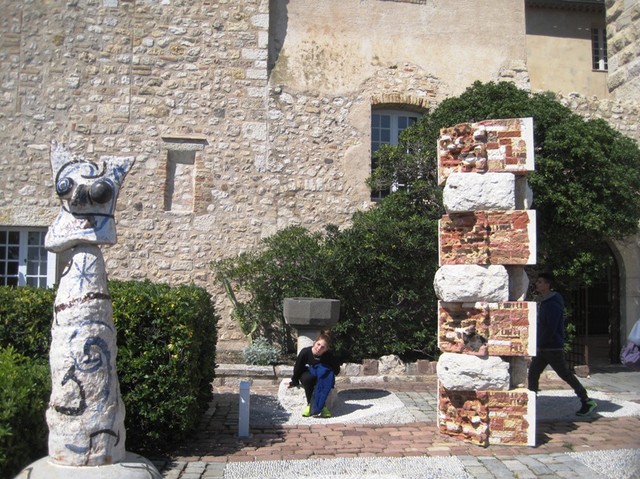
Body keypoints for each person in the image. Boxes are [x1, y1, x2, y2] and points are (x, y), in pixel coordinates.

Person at [528, 273, 597, 416]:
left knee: (565, 374)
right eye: (537, 282)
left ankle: (586, 401)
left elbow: (551, 327)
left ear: (547, 285)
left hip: (551, 347)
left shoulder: (552, 303)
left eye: (540, 282)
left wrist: (540, 342)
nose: (537, 284)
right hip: (543, 347)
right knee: (533, 374)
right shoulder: (544, 301)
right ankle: (530, 403)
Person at [288, 331, 341, 417]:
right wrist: (294, 381)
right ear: (314, 343)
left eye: (323, 347)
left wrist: (331, 364)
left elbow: (336, 370)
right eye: (318, 344)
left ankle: (322, 406)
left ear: (326, 349)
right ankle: (310, 405)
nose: (319, 348)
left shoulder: (328, 356)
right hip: (306, 373)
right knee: (308, 379)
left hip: (320, 375)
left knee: (324, 381)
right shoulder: (305, 352)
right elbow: (297, 368)